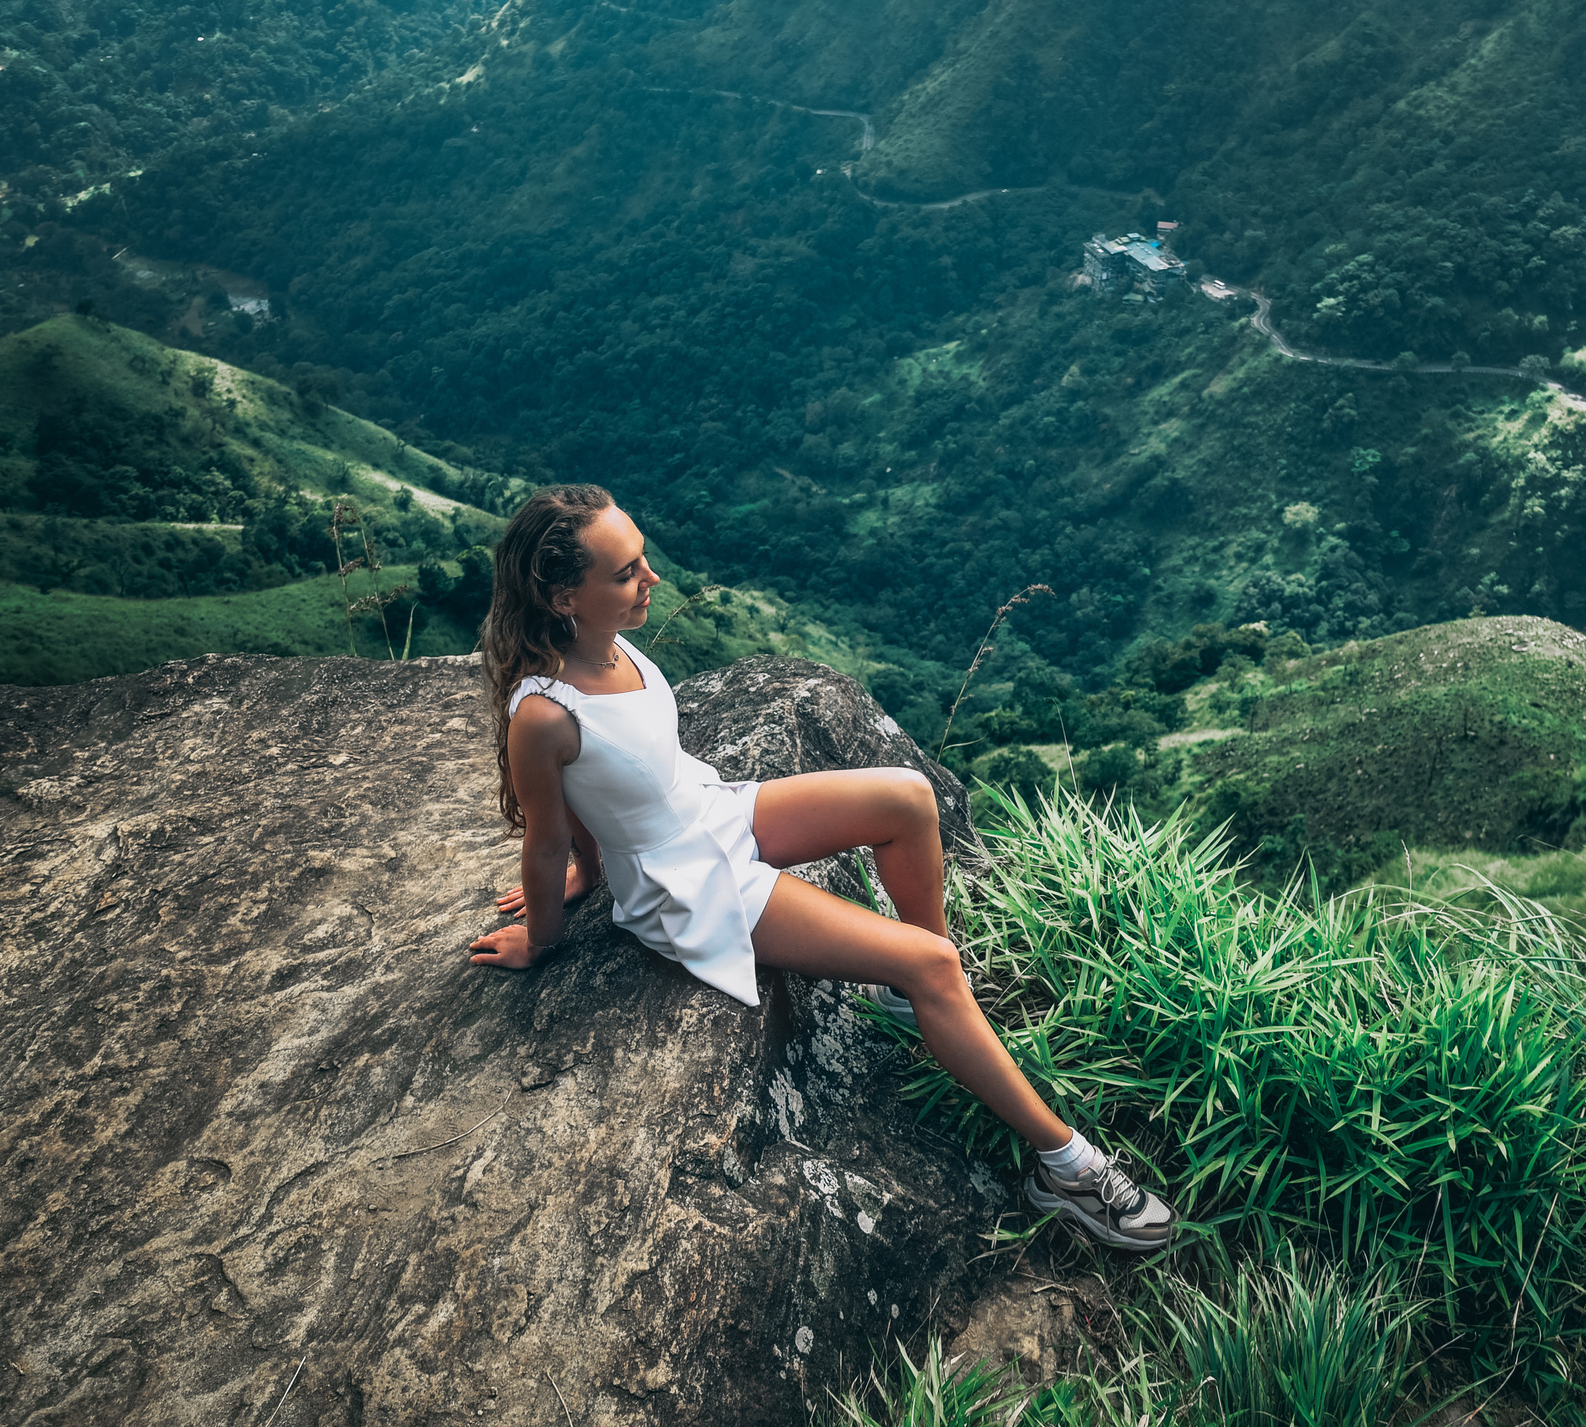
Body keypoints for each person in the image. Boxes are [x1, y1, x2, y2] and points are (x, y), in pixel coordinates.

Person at [469, 484, 1176, 1252]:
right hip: (687, 884)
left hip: (709, 810)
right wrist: (546, 931)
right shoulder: (544, 713)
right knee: (934, 961)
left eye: (642, 559)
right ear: (563, 596)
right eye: (626, 572)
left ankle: (915, 994)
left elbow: (593, 787)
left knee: (908, 798)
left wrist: (591, 863)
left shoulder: (610, 641)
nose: (652, 578)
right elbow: (546, 834)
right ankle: (1066, 1167)